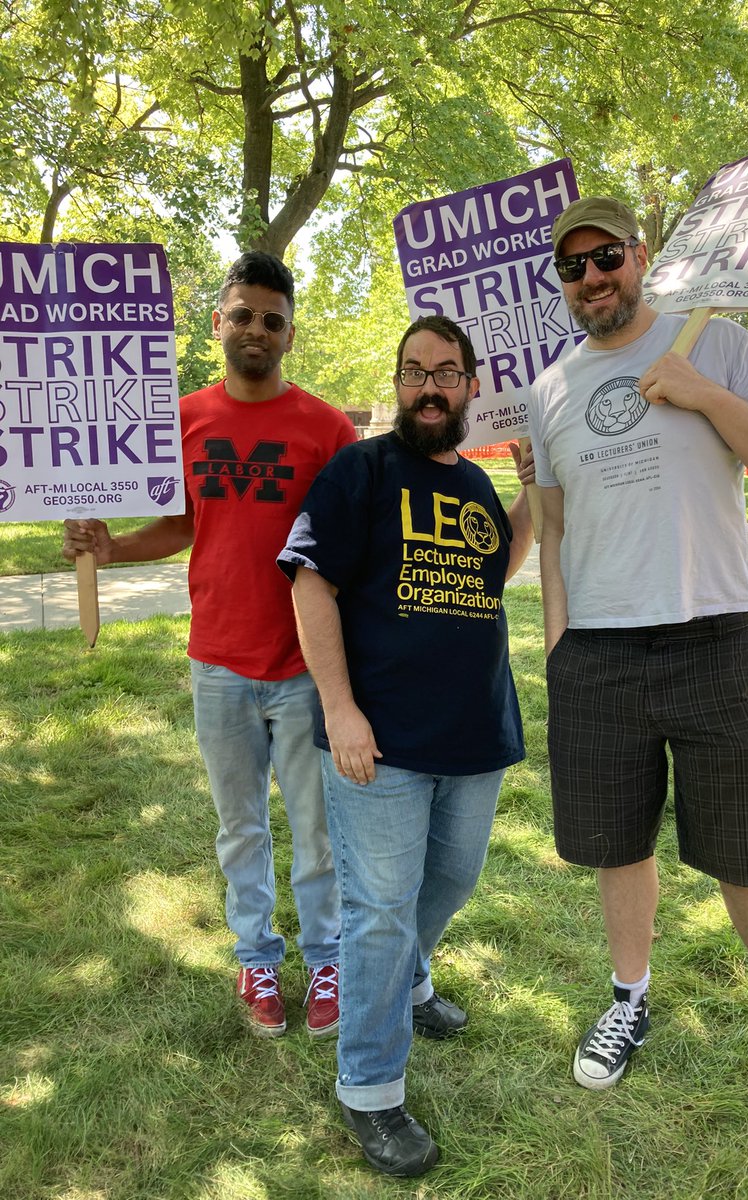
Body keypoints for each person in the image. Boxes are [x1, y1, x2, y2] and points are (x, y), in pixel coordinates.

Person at [529, 197, 748, 1115]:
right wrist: (557, 651)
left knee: (745, 852)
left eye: (606, 256)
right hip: (599, 654)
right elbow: (551, 531)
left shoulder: (721, 346)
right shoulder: (550, 392)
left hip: (712, 639)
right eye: (573, 267)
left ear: (640, 254)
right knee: (618, 848)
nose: (592, 278)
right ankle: (629, 1002)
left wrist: (703, 393)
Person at [62, 252, 356, 1039]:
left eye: (271, 319)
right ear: (217, 323)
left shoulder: (326, 428)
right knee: (240, 826)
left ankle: (329, 957)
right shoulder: (180, 419)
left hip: (303, 666)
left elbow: (350, 540)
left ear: (290, 335)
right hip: (219, 661)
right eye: (242, 314)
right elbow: (182, 523)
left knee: (317, 825)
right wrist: (108, 546)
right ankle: (257, 956)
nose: (255, 329)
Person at [277, 314, 534, 1177]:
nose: (430, 386)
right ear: (397, 384)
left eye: (447, 372)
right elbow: (312, 587)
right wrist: (340, 710)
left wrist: (533, 500)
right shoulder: (361, 469)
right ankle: (370, 1090)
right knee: (378, 911)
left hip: (474, 730)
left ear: (470, 387)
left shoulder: (472, 484)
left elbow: (491, 574)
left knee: (452, 877)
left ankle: (407, 983)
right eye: (415, 371)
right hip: (378, 742)